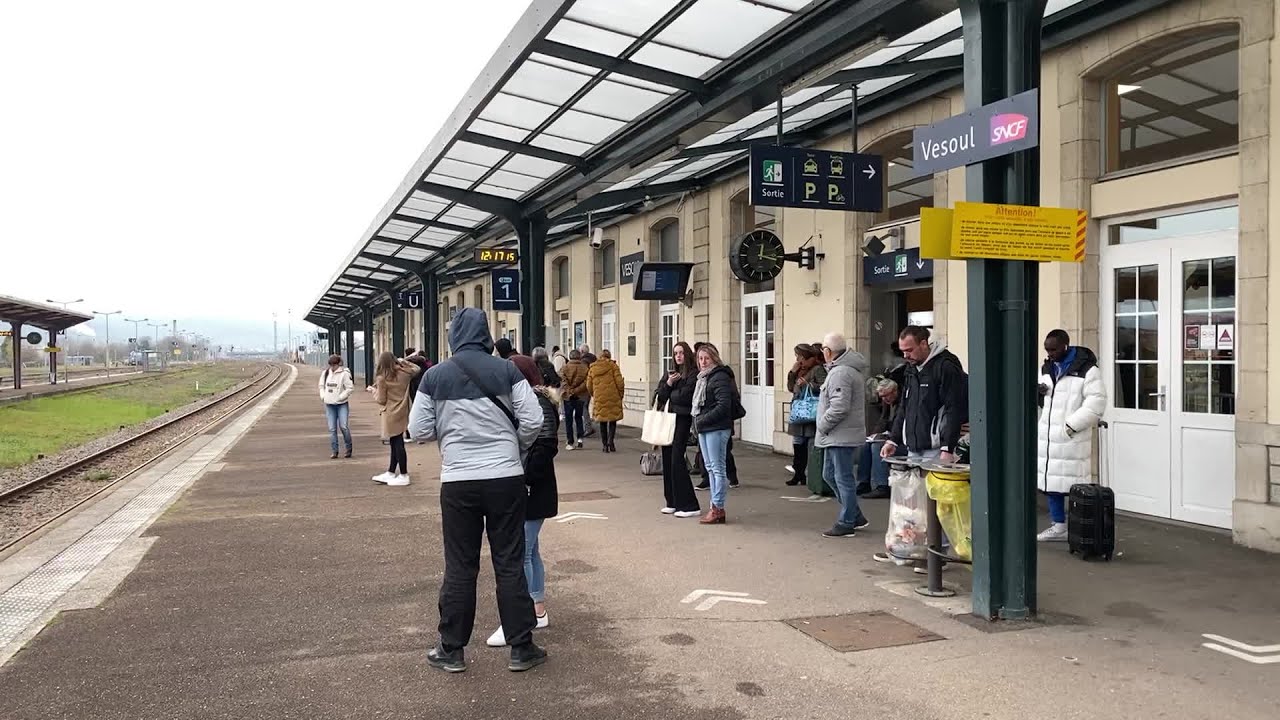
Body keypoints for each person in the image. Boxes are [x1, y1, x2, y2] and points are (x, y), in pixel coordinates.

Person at [408, 307, 546, 674]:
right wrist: (513, 448)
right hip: (505, 478)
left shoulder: (434, 376)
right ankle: (521, 648)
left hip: (458, 482)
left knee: (460, 566)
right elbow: (534, 420)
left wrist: (451, 435)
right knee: (510, 561)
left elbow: (418, 429)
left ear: (454, 337)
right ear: (486, 335)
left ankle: (451, 649)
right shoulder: (507, 369)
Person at [486, 358, 560, 647]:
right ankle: (537, 609)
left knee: (521, 552)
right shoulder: (532, 400)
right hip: (532, 484)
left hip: (531, 485)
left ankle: (522, 615)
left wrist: (526, 479)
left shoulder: (537, 403)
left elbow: (545, 445)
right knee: (531, 550)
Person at [1036, 329, 1106, 542]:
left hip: (1070, 436)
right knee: (1051, 484)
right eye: (1047, 349)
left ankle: (1079, 529)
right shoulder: (1047, 367)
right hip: (1049, 436)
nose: (1050, 353)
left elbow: (1096, 403)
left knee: (1075, 487)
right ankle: (1059, 526)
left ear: (1065, 345)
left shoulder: (1088, 370)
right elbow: (1047, 398)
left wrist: (1070, 426)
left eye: (1054, 349)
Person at [882, 326, 968, 465]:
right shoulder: (911, 369)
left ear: (923, 344)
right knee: (916, 486)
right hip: (914, 445)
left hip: (937, 447)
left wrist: (947, 447)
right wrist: (893, 440)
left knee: (932, 486)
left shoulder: (946, 367)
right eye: (903, 351)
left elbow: (954, 408)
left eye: (909, 350)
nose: (905, 356)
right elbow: (905, 407)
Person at [815, 332, 871, 538]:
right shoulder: (842, 370)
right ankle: (854, 514)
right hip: (837, 434)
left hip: (840, 434)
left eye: (823, 349)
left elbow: (839, 406)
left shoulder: (841, 373)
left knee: (842, 478)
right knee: (829, 475)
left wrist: (822, 424)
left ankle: (847, 521)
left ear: (828, 352)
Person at [692, 342, 742, 525]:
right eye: (700, 358)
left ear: (714, 358)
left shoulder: (719, 376)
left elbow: (723, 405)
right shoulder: (703, 377)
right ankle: (715, 505)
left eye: (706, 358)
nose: (703, 362)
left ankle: (717, 507)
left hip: (717, 427)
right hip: (705, 427)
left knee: (717, 468)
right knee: (711, 468)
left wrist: (701, 420)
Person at [655, 341, 701, 518]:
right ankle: (672, 501)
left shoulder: (692, 373)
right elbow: (659, 394)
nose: (678, 356)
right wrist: (668, 383)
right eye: (675, 353)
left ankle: (689, 504)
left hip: (683, 419)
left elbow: (686, 397)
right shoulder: (671, 373)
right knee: (667, 458)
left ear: (687, 354)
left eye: (681, 352)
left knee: (677, 459)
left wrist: (671, 391)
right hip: (669, 418)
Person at [371, 352, 418, 486]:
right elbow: (417, 369)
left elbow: (381, 400)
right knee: (395, 442)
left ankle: (404, 474)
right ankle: (391, 472)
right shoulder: (405, 374)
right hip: (403, 410)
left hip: (390, 412)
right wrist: (403, 362)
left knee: (397, 444)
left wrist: (373, 392)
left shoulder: (382, 378)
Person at [785, 344, 827, 486]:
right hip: (798, 411)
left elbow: (824, 388)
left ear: (810, 358)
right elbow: (791, 388)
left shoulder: (818, 369)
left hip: (810, 411)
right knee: (797, 444)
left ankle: (811, 475)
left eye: (801, 357)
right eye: (798, 357)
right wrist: (792, 373)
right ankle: (798, 474)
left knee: (809, 445)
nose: (799, 360)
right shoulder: (799, 370)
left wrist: (808, 384)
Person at [586, 348, 625, 452]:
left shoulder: (593, 368)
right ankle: (611, 442)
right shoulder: (613, 366)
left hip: (599, 397)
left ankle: (604, 445)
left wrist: (594, 395)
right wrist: (620, 394)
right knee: (612, 420)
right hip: (613, 396)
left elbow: (588, 385)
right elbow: (620, 382)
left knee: (602, 421)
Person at [318, 353, 354, 459]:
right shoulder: (325, 374)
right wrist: (323, 396)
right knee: (332, 429)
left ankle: (348, 448)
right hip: (329, 404)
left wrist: (341, 397)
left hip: (342, 404)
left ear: (339, 364)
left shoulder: (344, 374)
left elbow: (350, 388)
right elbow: (321, 386)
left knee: (343, 426)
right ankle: (335, 451)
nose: (332, 367)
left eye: (334, 365)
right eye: (331, 365)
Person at [560, 349, 589, 449]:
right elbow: (586, 382)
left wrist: (569, 390)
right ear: (579, 357)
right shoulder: (585, 368)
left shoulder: (565, 367)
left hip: (568, 396)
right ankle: (580, 438)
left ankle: (570, 442)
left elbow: (563, 381)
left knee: (568, 419)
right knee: (579, 417)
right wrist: (577, 390)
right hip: (580, 395)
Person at [578, 344, 598, 438]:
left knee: (583, 407)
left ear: (582, 352)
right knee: (586, 406)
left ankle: (588, 427)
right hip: (594, 384)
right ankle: (589, 425)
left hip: (585, 386)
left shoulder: (583, 362)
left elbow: (583, 375)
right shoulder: (594, 359)